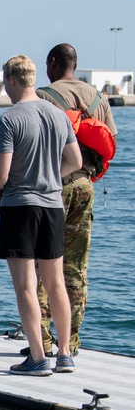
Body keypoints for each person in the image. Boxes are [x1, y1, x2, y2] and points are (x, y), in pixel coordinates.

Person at [0, 54, 83, 375]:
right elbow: (75, 161)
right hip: (53, 205)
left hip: (20, 207)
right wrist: (52, 176)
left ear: (12, 80)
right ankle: (65, 353)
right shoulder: (58, 115)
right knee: (56, 283)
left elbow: (1, 175)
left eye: (4, 81)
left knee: (26, 286)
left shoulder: (9, 119)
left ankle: (38, 357)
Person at [32, 43, 119, 357]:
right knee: (76, 268)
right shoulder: (98, 97)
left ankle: (40, 342)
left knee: (44, 266)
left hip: (53, 185)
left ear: (53, 63)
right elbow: (111, 137)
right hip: (85, 185)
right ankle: (71, 343)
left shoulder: (43, 95)